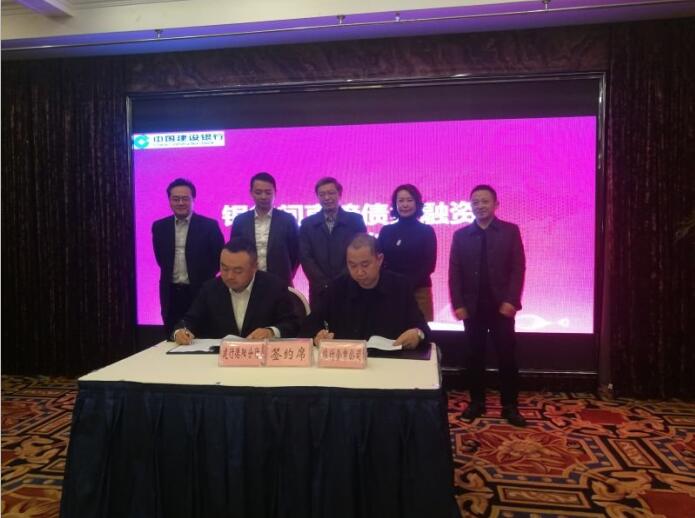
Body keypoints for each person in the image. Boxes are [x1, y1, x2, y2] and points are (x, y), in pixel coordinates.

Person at [449, 185, 527, 427]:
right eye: (475, 202)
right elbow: (454, 273)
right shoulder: (461, 235)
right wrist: (458, 304)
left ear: (496, 204)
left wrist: (511, 300)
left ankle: (510, 406)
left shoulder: (510, 231)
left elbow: (518, 268)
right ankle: (477, 402)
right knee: (474, 357)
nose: (480, 206)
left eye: (485, 201)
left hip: (502, 306)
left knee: (507, 358)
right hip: (472, 308)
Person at [301, 233, 430, 349]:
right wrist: (318, 335)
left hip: (390, 361)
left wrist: (417, 334)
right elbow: (310, 324)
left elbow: (422, 328)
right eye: (352, 265)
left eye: (365, 265)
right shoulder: (337, 288)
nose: (359, 272)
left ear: (379, 260)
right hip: (348, 361)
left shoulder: (400, 286)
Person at [172, 237, 301, 344]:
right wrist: (180, 332)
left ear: (255, 267)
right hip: (219, 360)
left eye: (238, 271)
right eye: (224, 268)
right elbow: (189, 321)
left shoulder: (274, 287)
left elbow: (292, 324)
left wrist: (270, 332)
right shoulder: (210, 289)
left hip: (262, 359)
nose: (229, 276)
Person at [152, 178, 224, 337]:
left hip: (200, 292)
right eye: (175, 199)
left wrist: (203, 277)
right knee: (173, 337)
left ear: (193, 200)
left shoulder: (209, 226)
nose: (180, 203)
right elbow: (161, 259)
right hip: (171, 293)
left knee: (202, 337)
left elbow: (219, 259)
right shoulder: (159, 227)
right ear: (169, 200)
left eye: (185, 199)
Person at [299, 177, 367, 305]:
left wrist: (342, 280)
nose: (327, 198)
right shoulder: (307, 224)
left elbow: (362, 252)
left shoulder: (355, 221)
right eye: (322, 194)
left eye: (331, 193)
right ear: (317, 197)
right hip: (319, 290)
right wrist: (323, 283)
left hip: (350, 285)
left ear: (339, 194)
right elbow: (305, 257)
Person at [378, 184, 437, 321]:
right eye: (401, 200)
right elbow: (379, 260)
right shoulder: (386, 231)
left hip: (419, 291)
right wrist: (394, 284)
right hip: (390, 291)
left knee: (421, 330)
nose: (405, 204)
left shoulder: (426, 231)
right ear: (395, 204)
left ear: (417, 203)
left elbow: (429, 265)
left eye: (409, 200)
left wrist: (406, 285)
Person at [230, 172, 300, 286]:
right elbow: (235, 251)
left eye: (268, 192)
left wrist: (287, 273)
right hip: (247, 282)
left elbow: (295, 253)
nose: (263, 197)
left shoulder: (287, 220)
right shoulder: (240, 221)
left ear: (275, 193)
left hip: (280, 282)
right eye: (258, 192)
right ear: (251, 193)